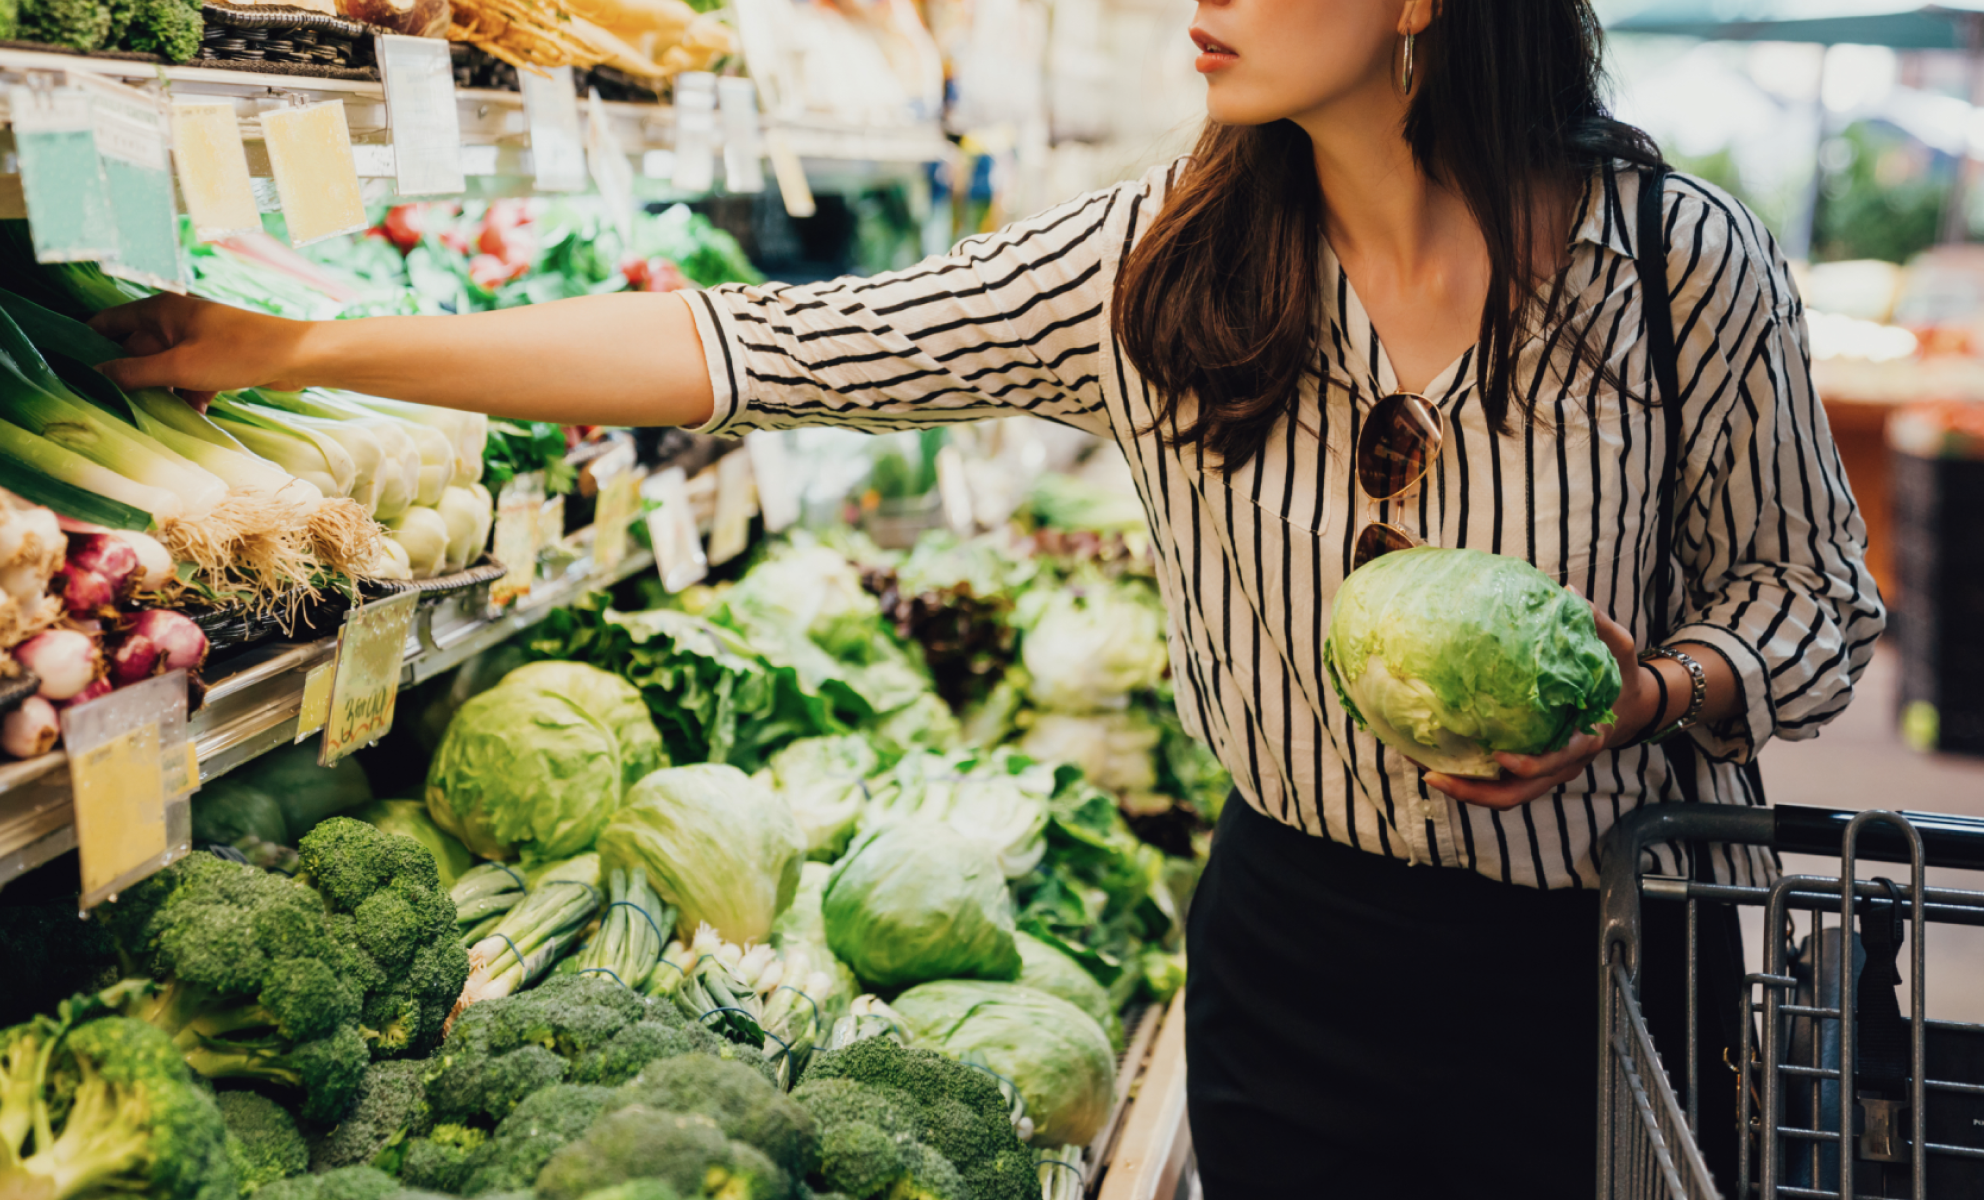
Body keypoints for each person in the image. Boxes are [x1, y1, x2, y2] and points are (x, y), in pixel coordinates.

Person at [92, 1, 1882, 1194]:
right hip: (1304, 946)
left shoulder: (1670, 269)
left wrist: (1642, 697)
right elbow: (765, 345)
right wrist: (304, 342)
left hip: (1609, 959)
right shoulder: (1159, 262)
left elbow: (1811, 601)